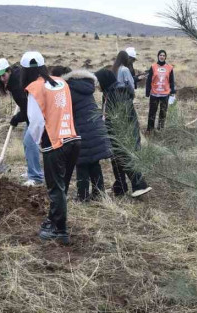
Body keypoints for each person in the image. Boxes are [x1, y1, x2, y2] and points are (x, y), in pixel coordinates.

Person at [22, 52, 81, 244]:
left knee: (56, 188)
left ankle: (60, 230)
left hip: (54, 143)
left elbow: (36, 121)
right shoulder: (61, 82)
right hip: (72, 138)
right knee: (61, 187)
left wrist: (39, 140)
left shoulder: (34, 88)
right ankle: (53, 220)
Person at [52, 66, 113, 202]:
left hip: (83, 130)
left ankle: (83, 196)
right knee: (94, 162)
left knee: (81, 163)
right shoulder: (84, 85)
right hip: (95, 127)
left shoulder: (67, 89)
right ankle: (99, 193)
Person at [94, 68, 152, 198]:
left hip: (124, 132)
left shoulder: (117, 93)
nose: (97, 85)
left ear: (105, 81)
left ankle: (140, 185)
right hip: (116, 132)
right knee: (116, 159)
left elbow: (119, 117)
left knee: (123, 157)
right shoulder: (109, 92)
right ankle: (120, 186)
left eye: (98, 82)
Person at [0, 57, 44, 186]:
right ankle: (32, 170)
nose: (1, 79)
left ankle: (36, 177)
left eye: (3, 75)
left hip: (38, 113)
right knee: (28, 143)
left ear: (9, 70)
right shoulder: (15, 78)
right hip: (32, 113)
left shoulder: (16, 84)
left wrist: (16, 119)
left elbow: (27, 110)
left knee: (30, 142)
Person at [144, 50, 176, 133]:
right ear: (158, 56)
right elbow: (149, 80)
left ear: (165, 57)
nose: (162, 56)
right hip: (154, 93)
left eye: (163, 55)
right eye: (160, 55)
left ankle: (160, 129)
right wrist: (147, 91)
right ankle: (150, 129)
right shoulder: (153, 66)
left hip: (165, 94)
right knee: (152, 112)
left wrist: (172, 92)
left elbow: (172, 81)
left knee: (163, 113)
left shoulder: (169, 67)